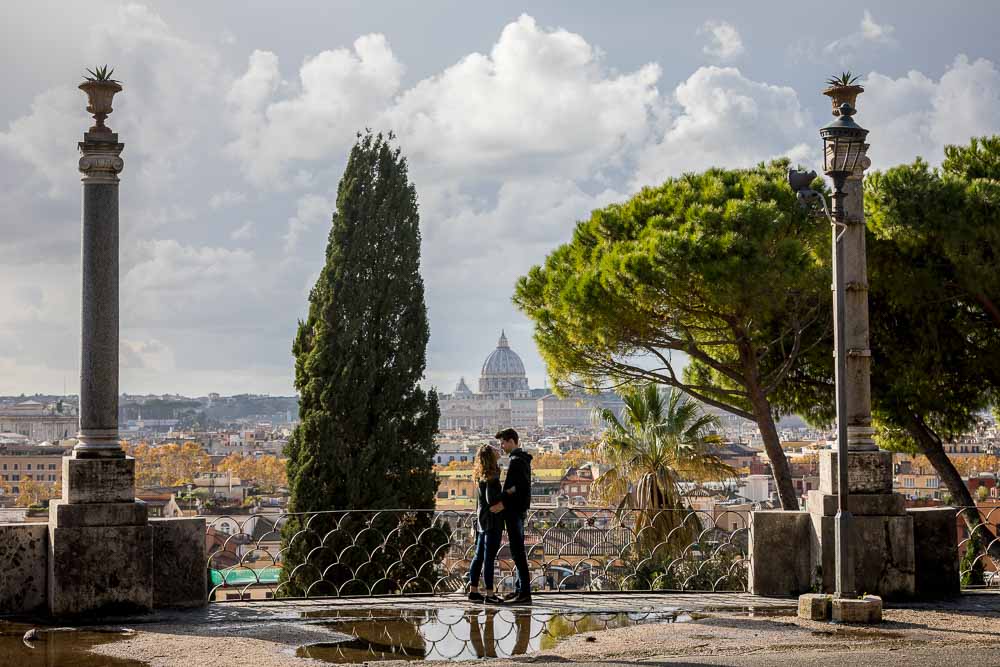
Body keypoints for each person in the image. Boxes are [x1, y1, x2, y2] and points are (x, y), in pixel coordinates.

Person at [490, 427, 533, 604]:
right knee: (517, 552)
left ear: (512, 441)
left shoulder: (516, 461)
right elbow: (519, 487)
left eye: (503, 442)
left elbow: (520, 488)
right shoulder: (522, 459)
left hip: (514, 511)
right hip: (517, 510)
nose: (501, 446)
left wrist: (504, 497)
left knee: (518, 553)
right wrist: (510, 490)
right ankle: (519, 589)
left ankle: (524, 593)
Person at [467, 444, 504, 603]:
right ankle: (490, 595)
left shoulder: (481, 474)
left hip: (482, 520)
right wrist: (507, 495)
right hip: (492, 521)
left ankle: (473, 591)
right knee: (489, 558)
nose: (498, 450)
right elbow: (492, 500)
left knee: (478, 557)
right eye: (495, 449)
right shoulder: (492, 477)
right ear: (491, 456)